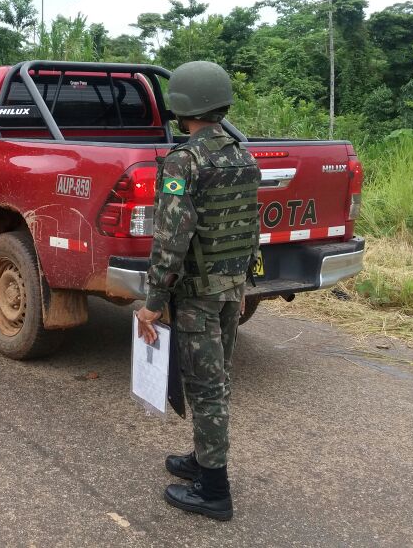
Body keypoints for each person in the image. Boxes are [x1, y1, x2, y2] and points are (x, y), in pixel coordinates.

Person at [135, 60, 261, 522]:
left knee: (207, 389)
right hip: (229, 289)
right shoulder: (243, 156)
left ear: (182, 105)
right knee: (218, 381)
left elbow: (171, 239)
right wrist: (246, 283)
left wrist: (152, 303)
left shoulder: (183, 161)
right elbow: (250, 229)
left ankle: (214, 490)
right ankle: (201, 457)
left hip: (198, 297)